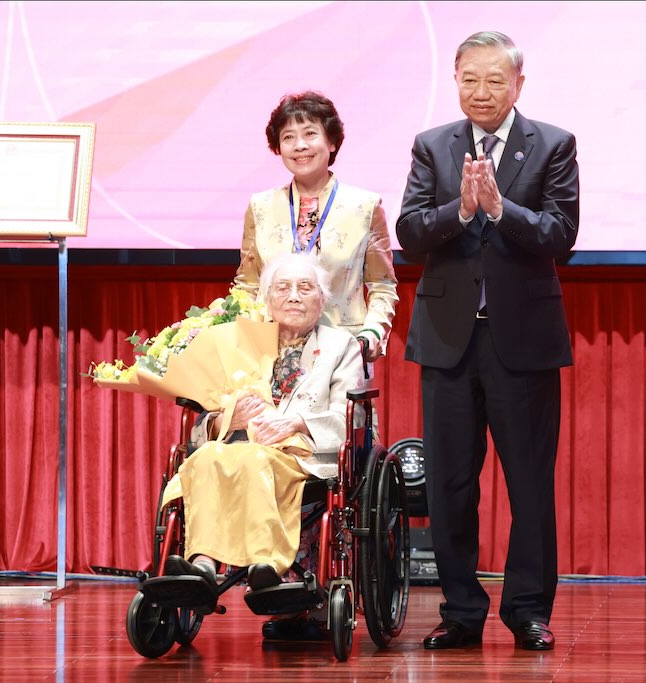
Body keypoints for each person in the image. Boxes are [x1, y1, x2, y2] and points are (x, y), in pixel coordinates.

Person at [396, 31, 579, 651]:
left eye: (495, 81)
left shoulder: (552, 144)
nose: (482, 93)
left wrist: (503, 210)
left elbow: (560, 236)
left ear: (518, 85)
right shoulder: (432, 147)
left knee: (529, 483)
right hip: (448, 341)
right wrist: (463, 211)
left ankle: (527, 609)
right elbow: (411, 234)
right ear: (454, 79)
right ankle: (462, 612)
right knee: (449, 485)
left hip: (521, 343)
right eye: (470, 79)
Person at [163, 251, 364, 641]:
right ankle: (202, 564)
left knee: (254, 459)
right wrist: (225, 421)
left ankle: (266, 564)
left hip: (298, 457)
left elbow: (351, 416)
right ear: (266, 300)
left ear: (321, 300)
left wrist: (299, 421)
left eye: (305, 288)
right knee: (204, 459)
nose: (293, 296)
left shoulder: (341, 346)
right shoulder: (240, 345)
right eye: (282, 288)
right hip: (234, 449)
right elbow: (204, 421)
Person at [234, 91, 399, 363]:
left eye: (310, 134)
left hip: (344, 352)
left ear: (331, 141)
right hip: (271, 354)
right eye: (288, 137)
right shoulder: (260, 206)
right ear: (278, 148)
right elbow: (248, 285)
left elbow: (382, 285)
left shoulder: (365, 206)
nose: (299, 145)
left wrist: (371, 332)